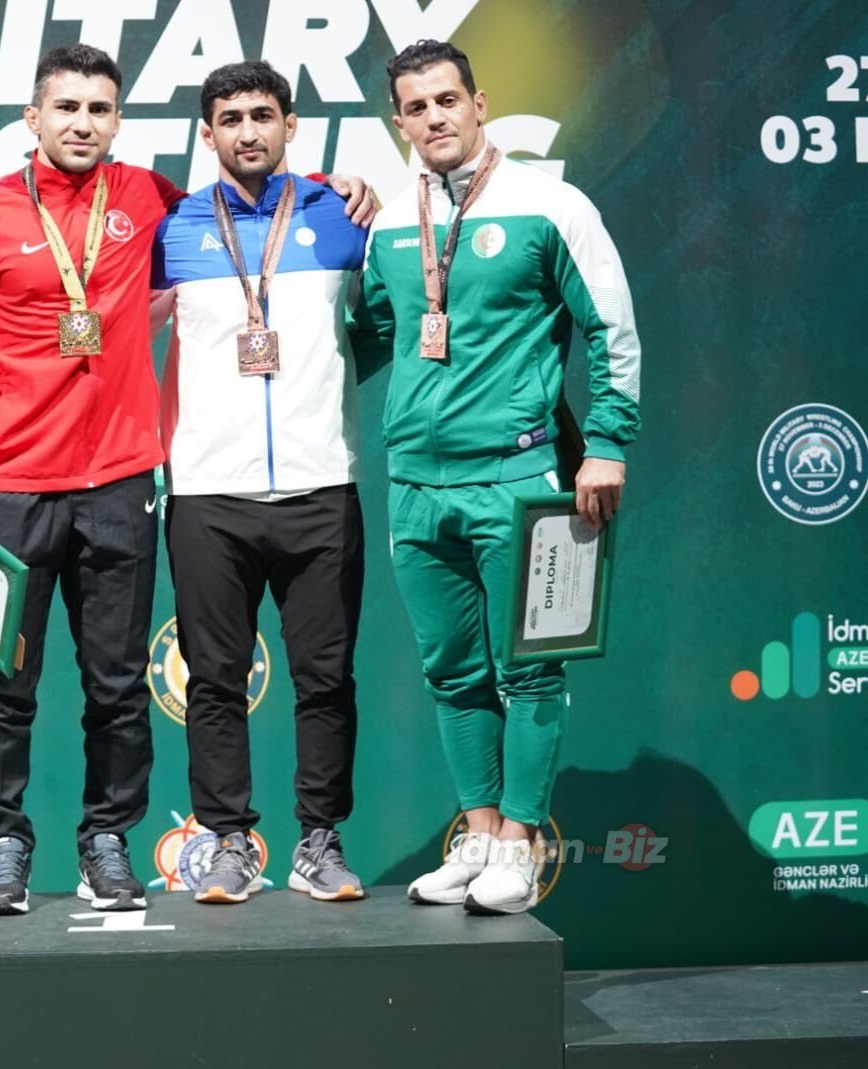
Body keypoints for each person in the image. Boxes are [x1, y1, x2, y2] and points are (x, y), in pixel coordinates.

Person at [0, 44, 376, 916]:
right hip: (7, 485)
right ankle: (5, 841)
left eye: (99, 108)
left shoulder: (149, 202)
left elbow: (253, 196)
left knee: (119, 685)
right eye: (67, 107)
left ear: (119, 121)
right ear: (33, 119)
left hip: (120, 482)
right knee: (2, 682)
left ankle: (107, 841)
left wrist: (332, 186)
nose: (83, 122)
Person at [348, 41, 640, 914]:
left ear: (479, 104)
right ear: (399, 122)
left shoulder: (551, 205)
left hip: (521, 477)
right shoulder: (390, 225)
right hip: (415, 485)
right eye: (416, 106)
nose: (434, 117)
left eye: (448, 99)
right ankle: (477, 835)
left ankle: (520, 840)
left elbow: (612, 328)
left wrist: (608, 443)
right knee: (452, 671)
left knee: (532, 670)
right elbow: (367, 338)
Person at [150, 61, 369, 905]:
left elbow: (380, 325)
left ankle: (320, 839)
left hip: (322, 485)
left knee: (327, 678)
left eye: (264, 115)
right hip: (208, 491)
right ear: (207, 132)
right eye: (232, 118)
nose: (249, 131)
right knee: (213, 679)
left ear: (290, 126)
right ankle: (229, 839)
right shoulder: (172, 229)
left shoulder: (341, 217)